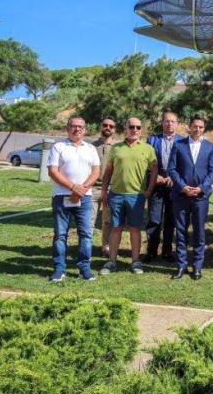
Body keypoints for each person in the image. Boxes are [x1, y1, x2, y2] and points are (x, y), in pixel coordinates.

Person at [99, 117, 158, 275]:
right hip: (116, 195)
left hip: (137, 196)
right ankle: (111, 262)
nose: (135, 130)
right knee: (115, 228)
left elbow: (154, 170)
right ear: (125, 128)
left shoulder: (148, 149)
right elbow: (108, 172)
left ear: (141, 130)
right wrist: (104, 191)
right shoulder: (116, 148)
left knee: (134, 229)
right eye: (131, 126)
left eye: (138, 127)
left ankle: (135, 262)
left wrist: (149, 190)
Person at [46, 117, 101, 282]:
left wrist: (81, 189)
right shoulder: (58, 147)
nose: (77, 129)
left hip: (84, 198)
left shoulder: (90, 148)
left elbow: (96, 172)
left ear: (85, 129)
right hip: (62, 197)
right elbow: (53, 172)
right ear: (67, 128)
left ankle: (84, 268)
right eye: (73, 126)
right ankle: (59, 269)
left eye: (80, 127)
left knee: (85, 234)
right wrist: (72, 187)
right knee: (60, 235)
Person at [167, 115, 213, 280]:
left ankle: (197, 266)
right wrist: (183, 187)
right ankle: (181, 265)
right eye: (195, 126)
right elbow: (172, 169)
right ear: (189, 127)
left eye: (201, 127)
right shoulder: (178, 145)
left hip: (200, 197)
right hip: (181, 196)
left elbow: (212, 172)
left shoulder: (210, 147)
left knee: (199, 232)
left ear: (204, 128)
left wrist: (200, 188)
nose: (197, 129)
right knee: (181, 232)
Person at [144, 111, 184, 263]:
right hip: (156, 184)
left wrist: (175, 178)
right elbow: (145, 161)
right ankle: (151, 251)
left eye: (173, 121)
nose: (169, 124)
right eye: (167, 121)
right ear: (162, 123)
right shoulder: (152, 139)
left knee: (170, 219)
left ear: (177, 124)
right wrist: (155, 177)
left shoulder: (183, 141)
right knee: (154, 219)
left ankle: (167, 251)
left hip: (174, 186)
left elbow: (184, 163)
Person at [91, 116, 116, 256]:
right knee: (89, 220)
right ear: (100, 126)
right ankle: (85, 246)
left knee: (108, 221)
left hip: (111, 189)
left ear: (114, 129)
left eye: (111, 126)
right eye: (105, 125)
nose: (108, 128)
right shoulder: (91, 147)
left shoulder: (118, 148)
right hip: (93, 188)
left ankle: (106, 247)